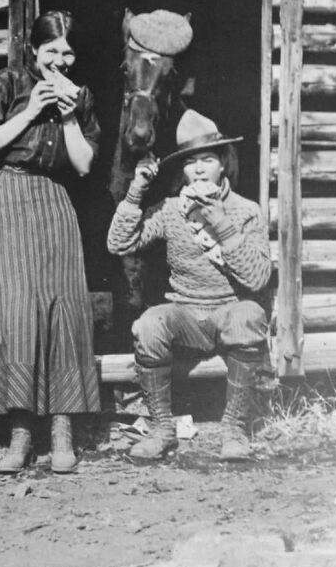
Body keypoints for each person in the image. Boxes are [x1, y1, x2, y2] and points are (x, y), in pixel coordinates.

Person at [0, 10, 101, 474]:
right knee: (17, 310)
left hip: (55, 197)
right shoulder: (6, 84)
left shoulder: (81, 96)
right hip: (10, 193)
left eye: (68, 52)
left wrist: (69, 119)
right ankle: (21, 430)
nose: (61, 61)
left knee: (63, 306)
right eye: (52, 51)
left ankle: (63, 428)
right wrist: (30, 111)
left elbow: (85, 165)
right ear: (34, 49)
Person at [107, 109, 271, 461]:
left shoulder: (246, 211)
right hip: (184, 312)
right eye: (191, 162)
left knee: (250, 314)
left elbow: (258, 278)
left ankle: (234, 429)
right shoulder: (170, 209)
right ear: (182, 169)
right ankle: (162, 430)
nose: (198, 169)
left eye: (208, 159)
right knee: (150, 323)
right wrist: (137, 190)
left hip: (228, 312)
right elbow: (120, 244)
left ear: (223, 163)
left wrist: (221, 225)